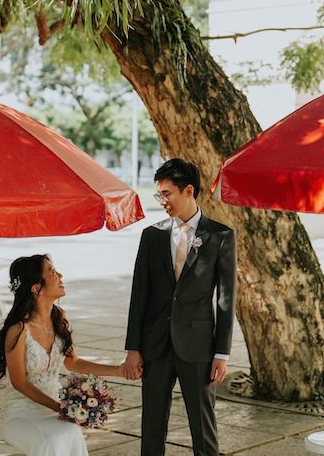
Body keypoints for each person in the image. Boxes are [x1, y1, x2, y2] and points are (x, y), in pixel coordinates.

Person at [121, 158, 237, 456]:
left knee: (203, 428)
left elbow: (226, 299)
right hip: (155, 345)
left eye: (166, 194)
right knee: (152, 428)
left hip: (198, 347)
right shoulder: (152, 235)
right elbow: (139, 295)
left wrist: (221, 353)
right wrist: (133, 348)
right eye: (159, 194)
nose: (162, 201)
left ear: (188, 191)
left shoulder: (220, 236)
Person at [0, 254, 131, 456]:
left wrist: (119, 371)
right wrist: (59, 407)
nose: (60, 275)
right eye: (51, 271)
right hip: (19, 414)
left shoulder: (60, 318)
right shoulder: (18, 330)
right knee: (49, 442)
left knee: (72, 432)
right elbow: (20, 382)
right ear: (36, 288)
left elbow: (73, 362)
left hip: (54, 409)